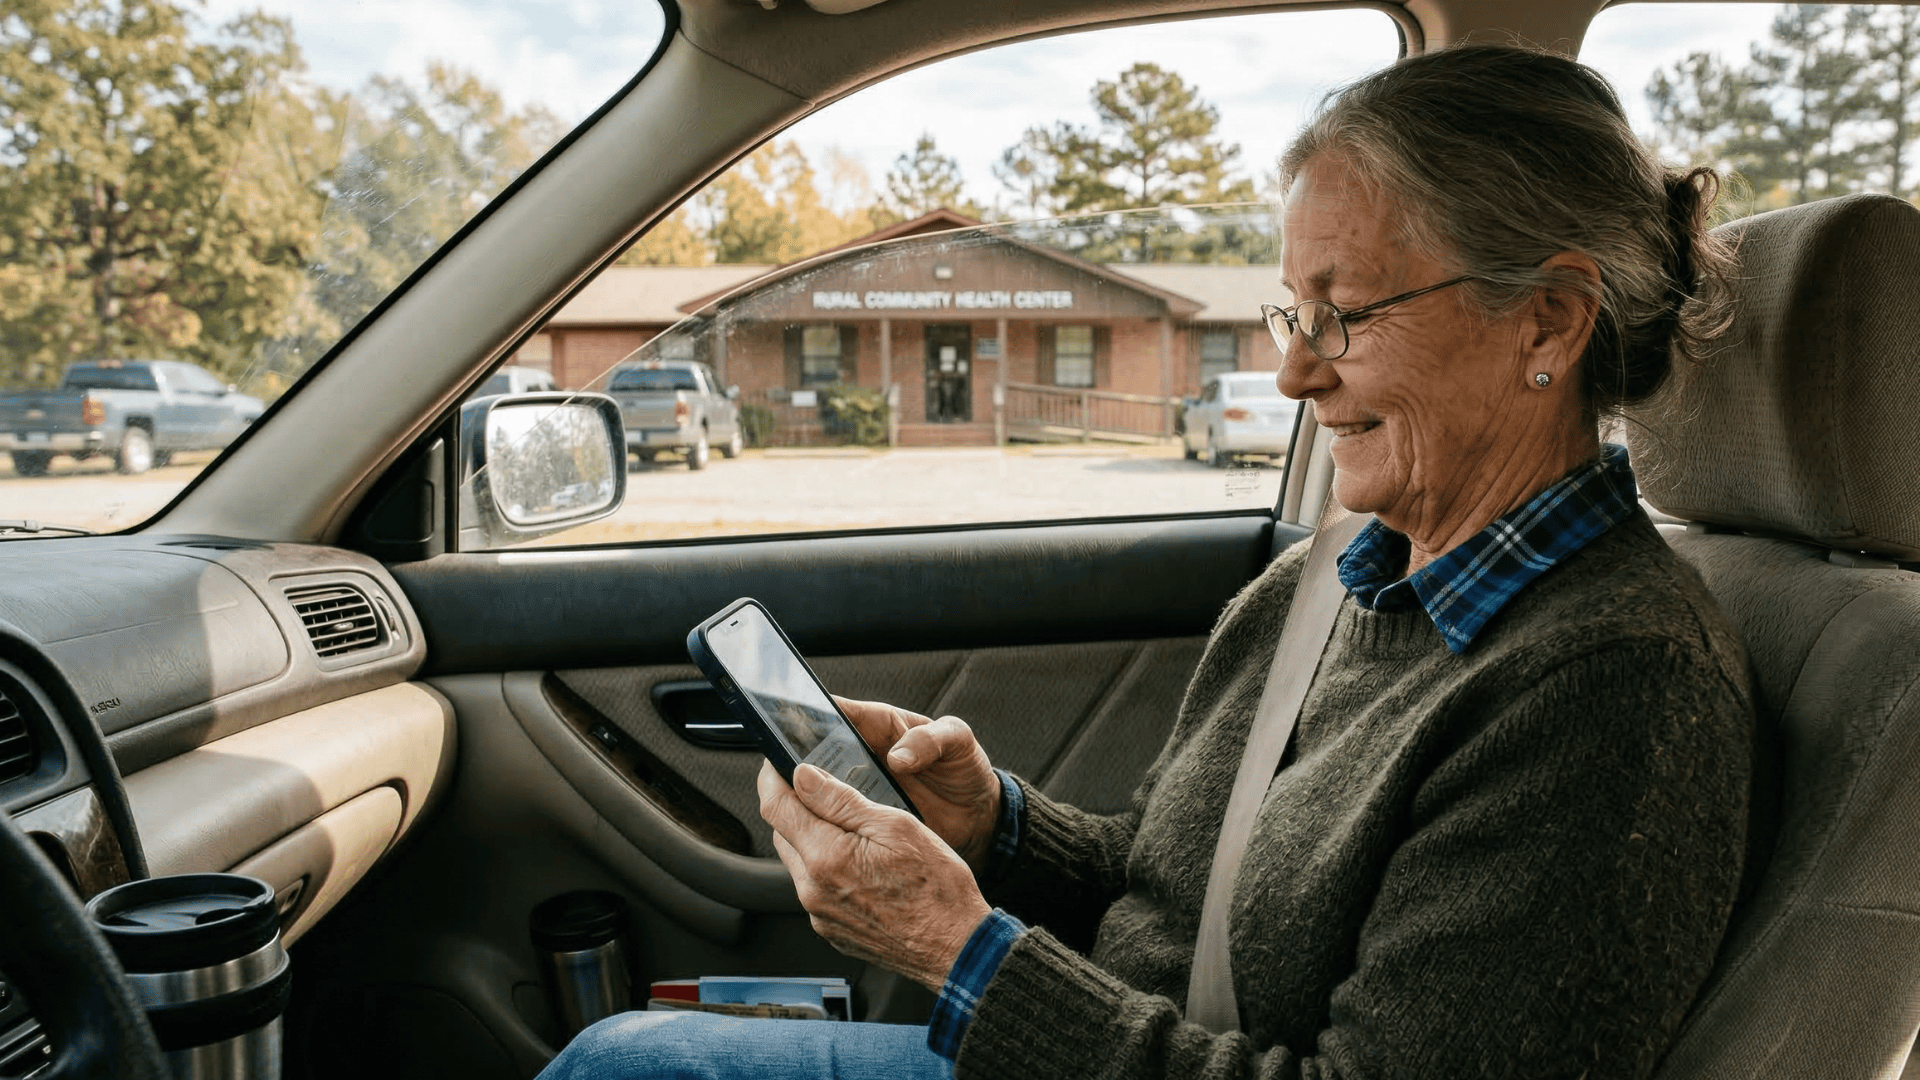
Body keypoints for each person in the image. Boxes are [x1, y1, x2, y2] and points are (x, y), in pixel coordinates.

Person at [539, 43, 1755, 1080]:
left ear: (1546, 318)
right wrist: (996, 831)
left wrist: (963, 957)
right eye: (1295, 311)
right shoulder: (1342, 577)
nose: (1293, 372)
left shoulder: (1614, 688)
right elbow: (1193, 889)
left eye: (1347, 312)